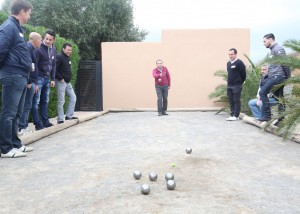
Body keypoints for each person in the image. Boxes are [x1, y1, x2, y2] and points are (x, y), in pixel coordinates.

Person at [0, 0, 34, 158]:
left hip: (20, 76)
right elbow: (1, 50)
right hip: (12, 75)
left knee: (17, 113)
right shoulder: (9, 27)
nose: (29, 16)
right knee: (9, 113)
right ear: (22, 12)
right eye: (28, 13)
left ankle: (15, 144)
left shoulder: (17, 28)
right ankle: (6, 148)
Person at [258, 33, 287, 122]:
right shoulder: (272, 50)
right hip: (276, 76)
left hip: (277, 76)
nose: (264, 43)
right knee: (279, 97)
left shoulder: (278, 49)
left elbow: (285, 63)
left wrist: (287, 76)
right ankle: (281, 119)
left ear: (270, 39)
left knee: (262, 92)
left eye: (264, 41)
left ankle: (267, 116)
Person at [32, 29, 56, 130]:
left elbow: (53, 65)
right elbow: (34, 65)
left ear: (53, 40)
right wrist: (35, 81)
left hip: (47, 79)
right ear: (44, 37)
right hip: (39, 78)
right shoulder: (38, 49)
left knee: (45, 101)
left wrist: (53, 79)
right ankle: (37, 124)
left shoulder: (54, 49)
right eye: (46, 38)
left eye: (50, 39)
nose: (47, 41)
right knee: (35, 102)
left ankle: (45, 121)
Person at [18, 32, 42, 135]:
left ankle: (24, 126)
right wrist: (29, 81)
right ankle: (22, 127)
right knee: (26, 105)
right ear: (35, 40)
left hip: (32, 82)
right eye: (41, 40)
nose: (41, 42)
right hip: (28, 82)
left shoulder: (32, 49)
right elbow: (27, 66)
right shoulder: (28, 48)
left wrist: (35, 83)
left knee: (27, 104)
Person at [55, 43, 78, 124]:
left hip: (67, 82)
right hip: (61, 81)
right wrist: (60, 78)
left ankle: (69, 116)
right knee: (61, 100)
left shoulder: (67, 57)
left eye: (70, 50)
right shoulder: (59, 56)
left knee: (73, 97)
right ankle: (60, 119)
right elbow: (54, 69)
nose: (69, 51)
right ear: (63, 49)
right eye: (68, 50)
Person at [226, 48, 246, 121]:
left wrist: (239, 82)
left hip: (237, 85)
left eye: (232, 54)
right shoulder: (228, 63)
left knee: (236, 100)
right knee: (230, 100)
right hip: (229, 85)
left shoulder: (239, 63)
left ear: (235, 54)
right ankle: (232, 114)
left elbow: (243, 75)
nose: (230, 56)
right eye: (229, 54)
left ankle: (236, 115)